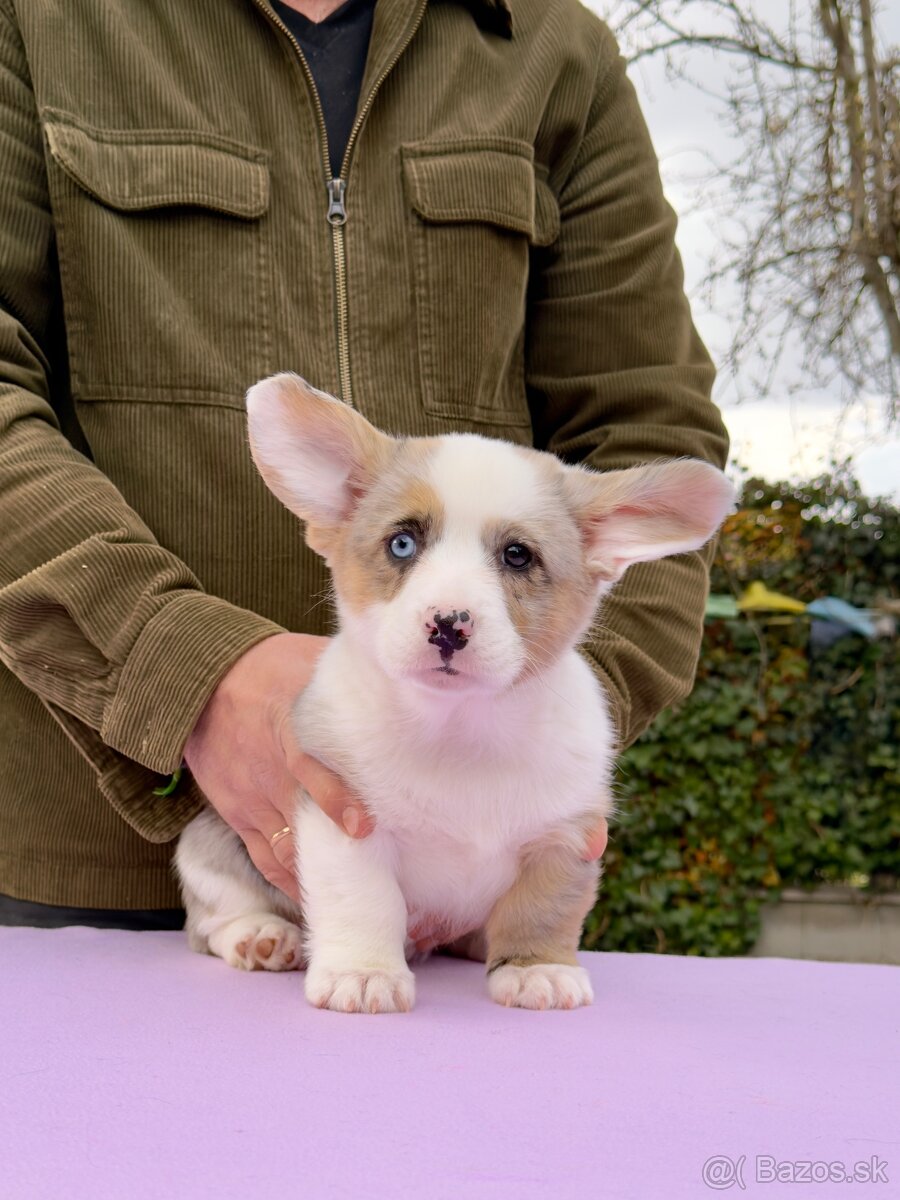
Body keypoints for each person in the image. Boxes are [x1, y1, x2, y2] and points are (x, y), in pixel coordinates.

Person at [0, 0, 728, 933]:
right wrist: (188, 675)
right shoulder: (38, 18)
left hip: (455, 890)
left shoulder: (556, 52)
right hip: (76, 859)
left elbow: (650, 436)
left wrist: (532, 759)